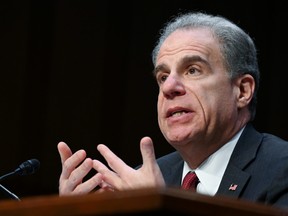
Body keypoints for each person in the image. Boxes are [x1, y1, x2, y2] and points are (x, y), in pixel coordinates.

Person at [57, 11, 288, 208]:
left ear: (243, 91)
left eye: (193, 70)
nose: (169, 87)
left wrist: (158, 208)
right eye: (163, 76)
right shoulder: (143, 181)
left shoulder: (281, 168)